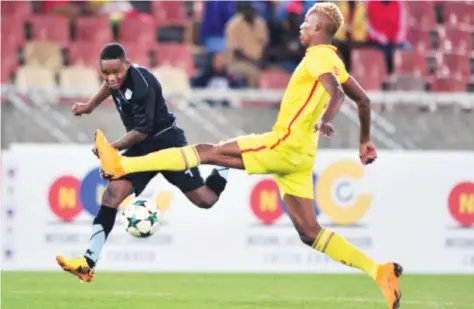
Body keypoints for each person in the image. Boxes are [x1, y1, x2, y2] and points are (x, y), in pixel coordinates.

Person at [95, 3, 402, 309]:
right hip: (301, 155)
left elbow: (334, 92)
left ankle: (123, 163)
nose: (301, 26)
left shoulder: (319, 57)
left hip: (283, 143)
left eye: (307, 22)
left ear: (319, 28)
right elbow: (362, 99)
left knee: (207, 152)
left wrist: (327, 118)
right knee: (310, 233)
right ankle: (379, 271)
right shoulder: (334, 59)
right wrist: (364, 140)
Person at [56, 43, 230, 282]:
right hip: (142, 146)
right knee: (112, 194)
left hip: (167, 143)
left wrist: (111, 149)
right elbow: (109, 88)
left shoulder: (143, 84)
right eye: (105, 73)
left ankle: (223, 160)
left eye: (116, 72)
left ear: (127, 65)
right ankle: (87, 262)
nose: (111, 78)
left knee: (205, 199)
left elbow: (143, 130)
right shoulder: (114, 79)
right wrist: (90, 106)